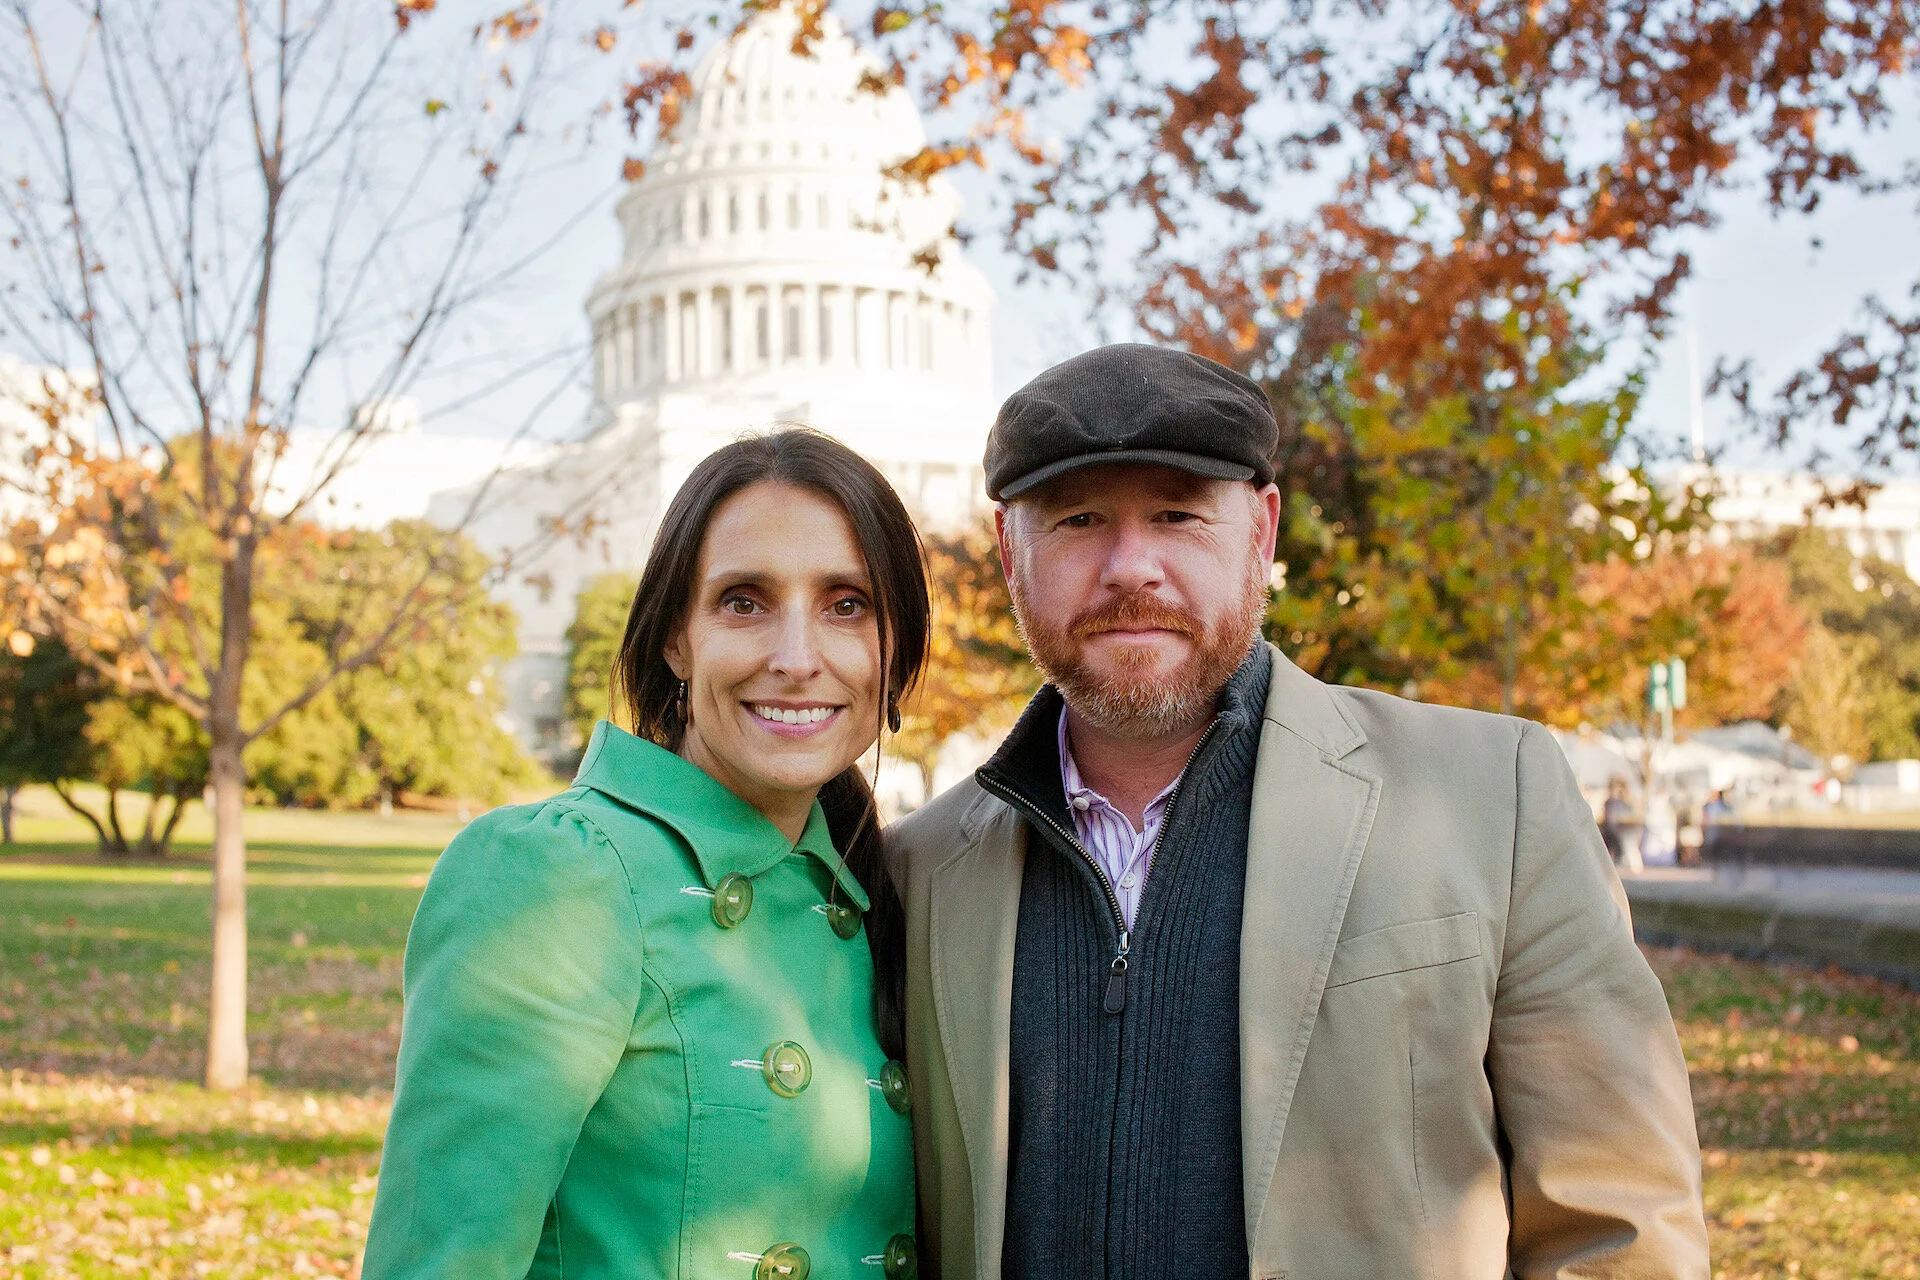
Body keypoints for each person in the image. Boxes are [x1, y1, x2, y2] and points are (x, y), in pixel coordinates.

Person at [887, 345, 1709, 1279]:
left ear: (1262, 532)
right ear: (1009, 551)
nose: (1131, 567)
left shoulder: (1494, 797)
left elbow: (1619, 1220)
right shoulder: (919, 870)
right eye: (1078, 520)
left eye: (1178, 515)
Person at [364, 431, 928, 1280]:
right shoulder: (554, 874)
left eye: (847, 605)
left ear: (897, 650)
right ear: (675, 639)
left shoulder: (879, 892)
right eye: (744, 602)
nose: (796, 658)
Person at [1600, 775, 1634, 863]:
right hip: (1611, 832)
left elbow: (1630, 816)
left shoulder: (1625, 803)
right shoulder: (1608, 802)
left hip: (1621, 833)